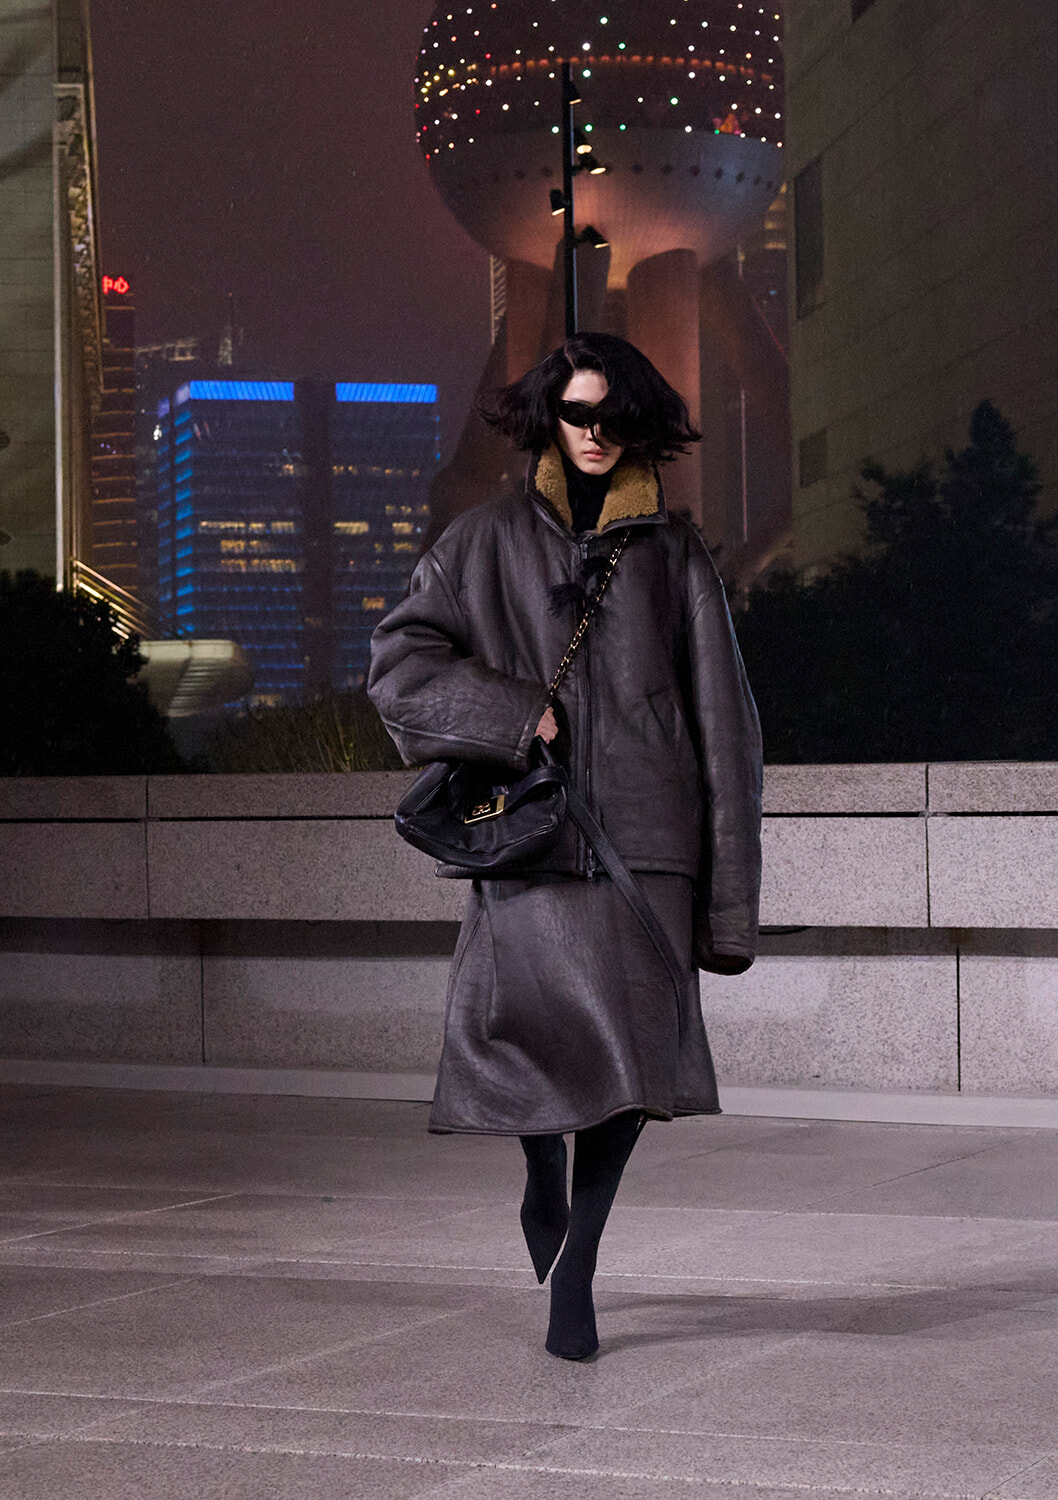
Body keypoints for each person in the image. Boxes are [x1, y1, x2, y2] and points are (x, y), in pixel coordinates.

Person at [368, 332, 762, 1360]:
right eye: (578, 414)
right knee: (538, 1038)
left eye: (613, 418)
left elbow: (728, 728)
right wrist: (508, 714)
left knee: (631, 1071)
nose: (595, 435)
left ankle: (578, 1267)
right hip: (532, 834)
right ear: (550, 416)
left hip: (648, 844)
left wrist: (729, 903)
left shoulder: (676, 556)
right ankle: (541, 1166)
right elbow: (398, 664)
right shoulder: (485, 539)